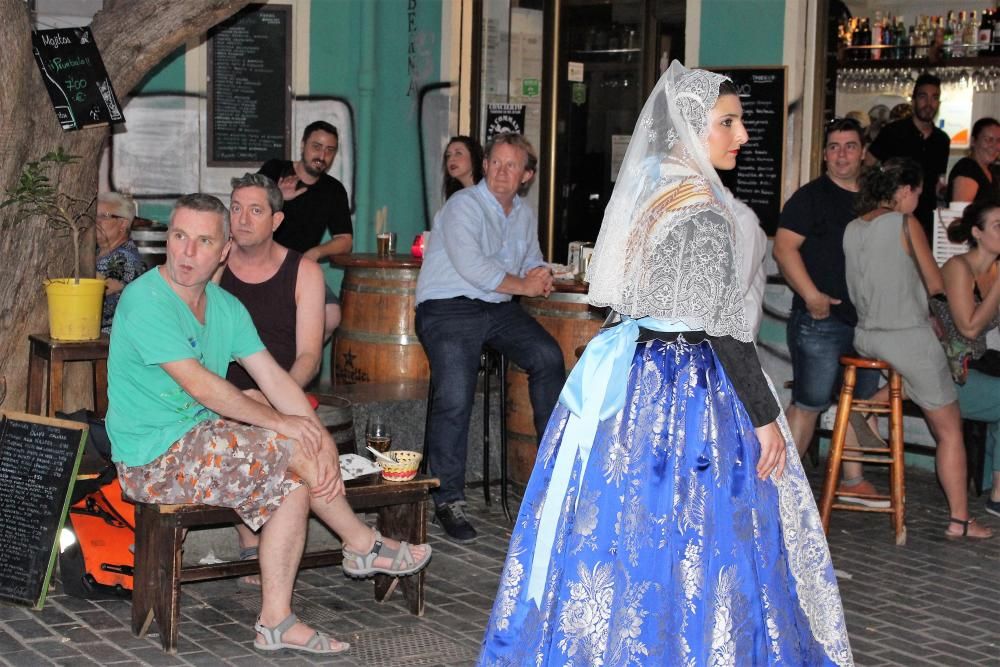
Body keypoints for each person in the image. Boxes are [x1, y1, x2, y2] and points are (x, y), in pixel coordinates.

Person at [479, 62, 853, 666]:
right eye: (727, 123)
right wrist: (763, 417)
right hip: (693, 381)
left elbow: (622, 301)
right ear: (689, 127)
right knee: (703, 529)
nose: (742, 136)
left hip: (637, 373)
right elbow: (724, 331)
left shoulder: (654, 192)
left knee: (628, 523)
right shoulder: (705, 209)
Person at [107, 194, 431, 655]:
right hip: (152, 457)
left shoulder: (224, 306)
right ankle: (360, 541)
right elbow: (204, 388)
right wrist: (289, 427)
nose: (186, 252)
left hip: (201, 440)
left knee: (295, 479)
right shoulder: (146, 301)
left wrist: (310, 428)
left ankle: (276, 622)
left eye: (202, 241)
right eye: (179, 237)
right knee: (289, 445)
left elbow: (273, 376)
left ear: (223, 251)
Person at [415, 133, 565, 543]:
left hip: (496, 307)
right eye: (495, 163)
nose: (501, 172)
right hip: (447, 306)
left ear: (526, 175)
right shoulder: (463, 205)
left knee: (547, 356)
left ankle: (553, 480)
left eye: (510, 165)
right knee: (457, 393)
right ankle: (447, 496)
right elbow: (475, 268)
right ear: (485, 166)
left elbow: (530, 257)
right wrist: (526, 286)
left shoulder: (523, 213)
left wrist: (541, 273)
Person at [843, 158, 993, 540]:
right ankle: (960, 520)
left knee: (915, 374)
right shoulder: (906, 224)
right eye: (918, 194)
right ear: (905, 192)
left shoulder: (852, 228)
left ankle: (868, 410)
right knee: (950, 431)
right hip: (905, 337)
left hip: (866, 335)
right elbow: (934, 282)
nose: (918, 201)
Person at [217, 173, 327, 587]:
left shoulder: (304, 271)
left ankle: (260, 537)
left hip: (284, 389)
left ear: (276, 220)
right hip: (222, 393)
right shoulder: (216, 264)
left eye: (255, 210)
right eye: (236, 208)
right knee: (236, 419)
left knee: (280, 430)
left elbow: (310, 356)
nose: (242, 219)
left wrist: (274, 396)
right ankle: (250, 536)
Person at [774, 117, 885, 507]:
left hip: (866, 322)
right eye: (835, 146)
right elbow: (784, 249)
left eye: (850, 146)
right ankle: (776, 487)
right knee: (809, 401)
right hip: (819, 320)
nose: (842, 154)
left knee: (856, 404)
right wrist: (813, 296)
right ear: (824, 155)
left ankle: (852, 482)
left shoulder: (874, 199)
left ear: (863, 151)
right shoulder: (810, 197)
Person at [258, 121, 352, 339]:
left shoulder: (334, 190)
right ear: (302, 146)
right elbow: (247, 210)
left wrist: (315, 253)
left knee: (331, 316)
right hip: (262, 264)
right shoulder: (275, 170)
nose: (322, 155)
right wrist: (277, 196)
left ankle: (301, 365)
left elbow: (345, 240)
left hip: (301, 269)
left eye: (330, 150)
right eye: (316, 146)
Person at [941, 199, 1000, 517]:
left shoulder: (993, 270)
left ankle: (996, 486)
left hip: (977, 366)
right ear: (977, 232)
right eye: (998, 226)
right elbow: (968, 327)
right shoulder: (958, 268)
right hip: (948, 373)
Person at [867, 73, 950, 241]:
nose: (928, 103)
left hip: (926, 221)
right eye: (923, 97)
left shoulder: (942, 140)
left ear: (939, 103)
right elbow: (867, 165)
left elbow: (938, 181)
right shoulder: (893, 132)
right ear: (913, 101)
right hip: (891, 219)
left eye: (934, 98)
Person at [95, 192, 146, 333]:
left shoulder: (125, 259)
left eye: (104, 216)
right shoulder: (94, 251)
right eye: (94, 215)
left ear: (123, 224)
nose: (95, 221)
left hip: (110, 341)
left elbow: (91, 291)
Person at [947, 117, 1000, 205]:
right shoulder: (967, 169)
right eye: (988, 139)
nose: (995, 146)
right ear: (973, 141)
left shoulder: (991, 170)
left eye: (998, 140)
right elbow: (961, 213)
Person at [442, 135, 484, 200]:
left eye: (458, 153)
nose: (451, 159)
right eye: (448, 155)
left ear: (474, 157)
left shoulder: (487, 192)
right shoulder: (456, 197)